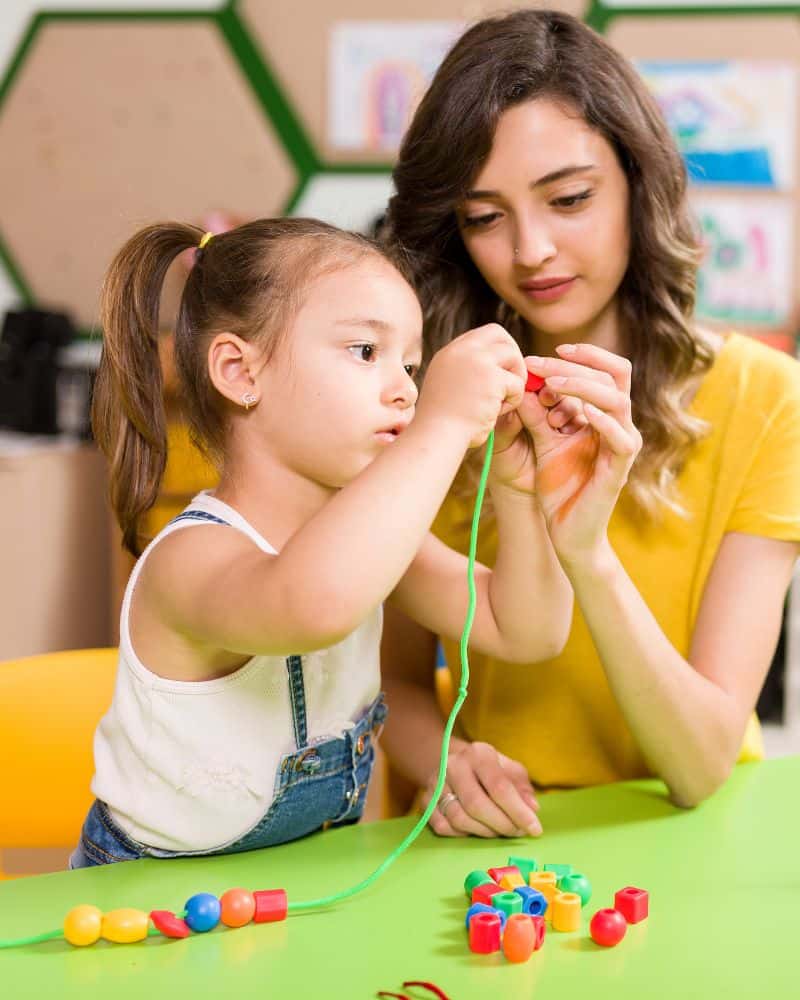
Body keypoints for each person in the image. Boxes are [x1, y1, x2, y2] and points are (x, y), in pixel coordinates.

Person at [379, 7, 800, 836]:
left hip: (690, 839)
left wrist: (586, 553)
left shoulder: (770, 400)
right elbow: (388, 681)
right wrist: (444, 767)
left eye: (568, 198)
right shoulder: (426, 402)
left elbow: (701, 764)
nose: (530, 249)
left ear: (639, 184)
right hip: (492, 845)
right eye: (484, 216)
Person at [70, 215, 594, 867]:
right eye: (366, 352)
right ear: (239, 372)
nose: (406, 389)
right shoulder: (189, 561)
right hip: (152, 909)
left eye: (412, 363)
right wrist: (443, 421)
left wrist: (519, 490)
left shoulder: (364, 541)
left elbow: (527, 630)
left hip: (296, 893)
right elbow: (311, 605)